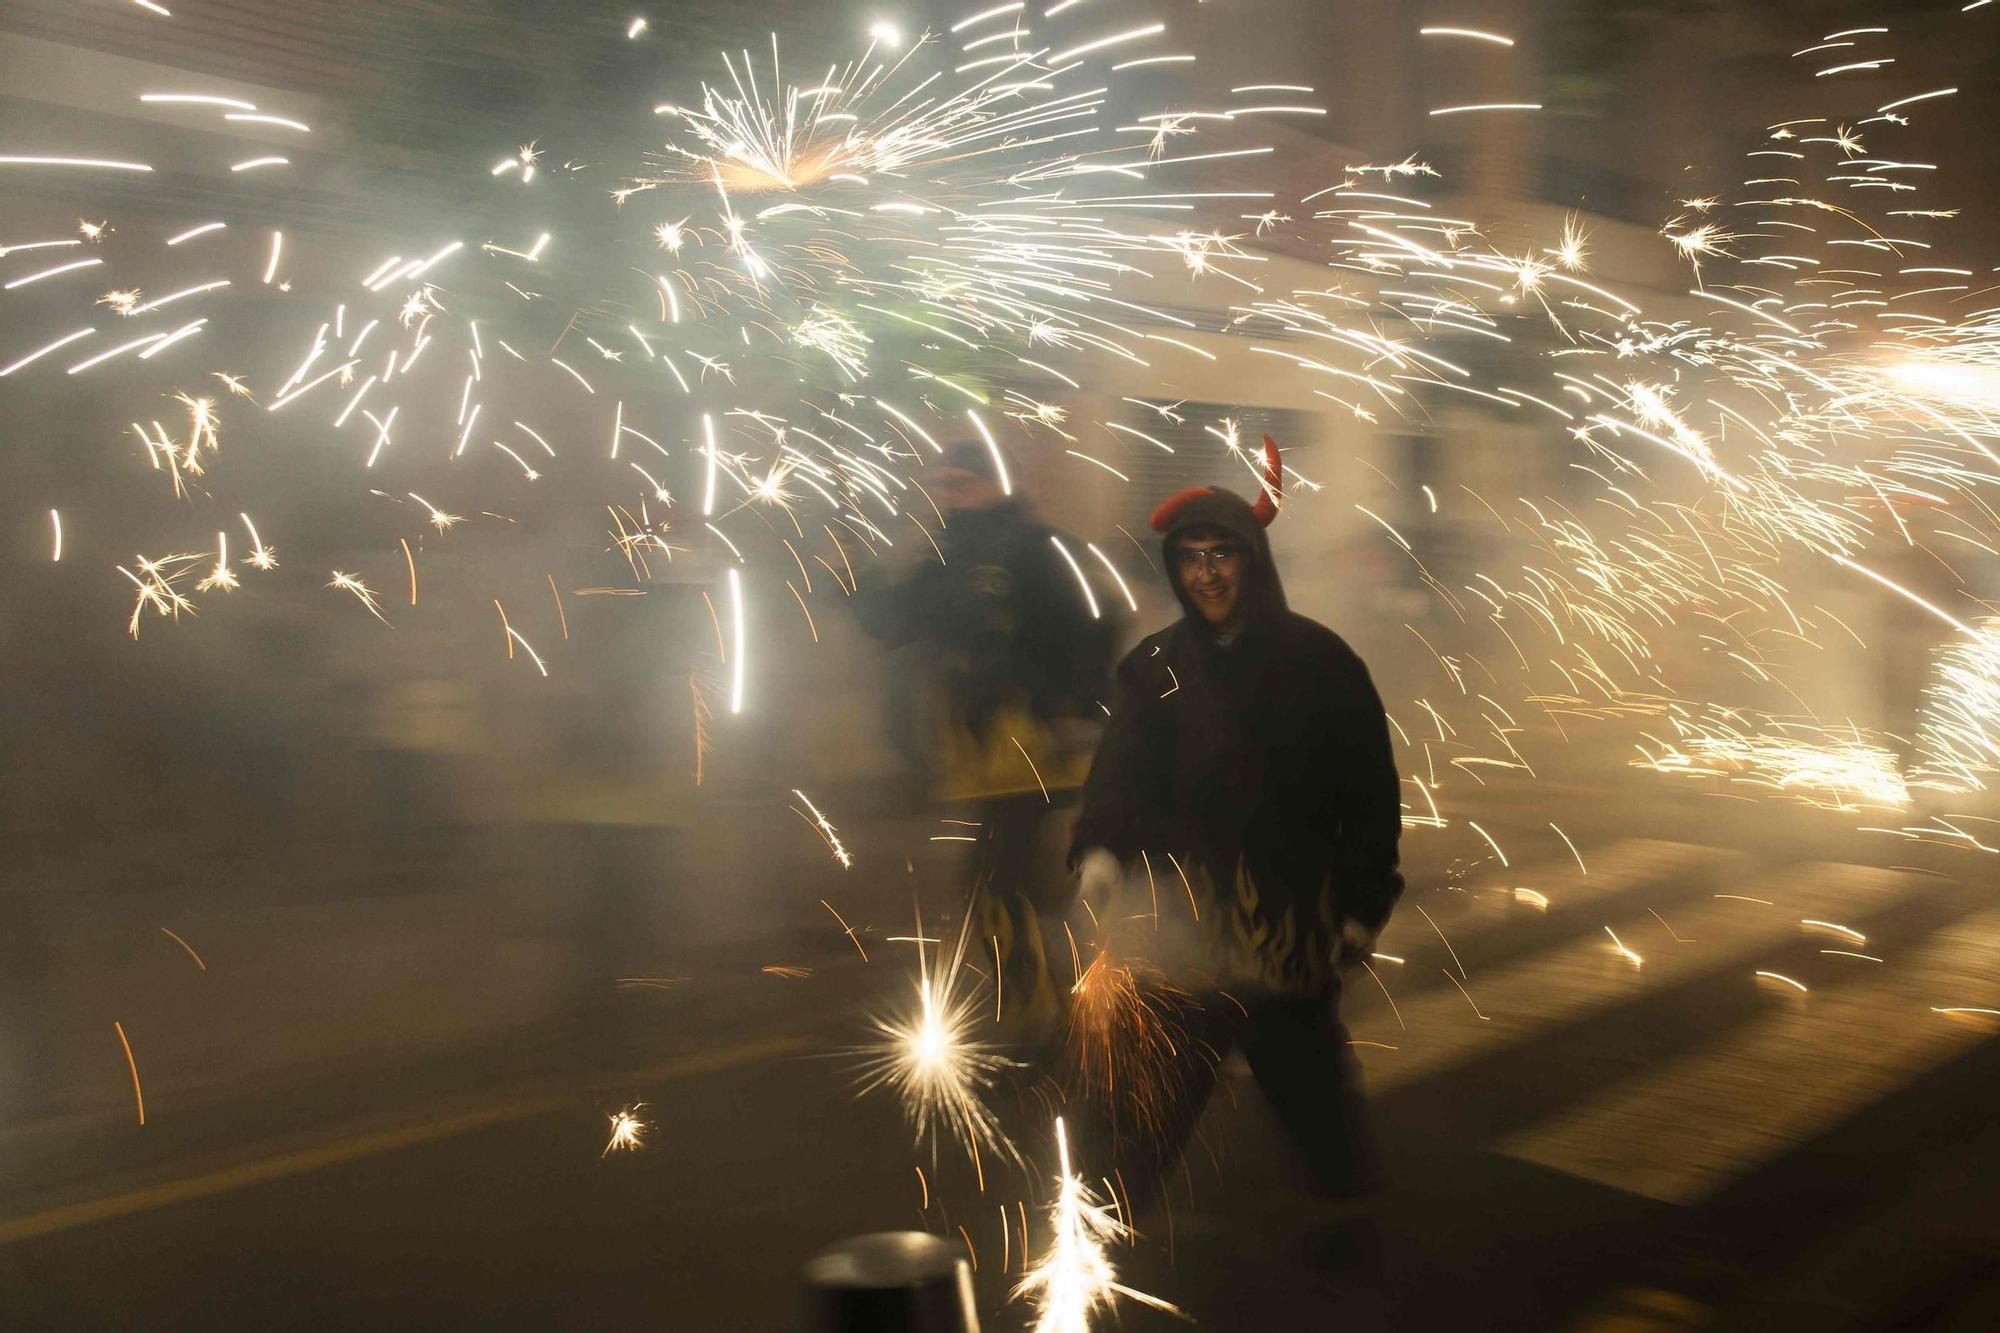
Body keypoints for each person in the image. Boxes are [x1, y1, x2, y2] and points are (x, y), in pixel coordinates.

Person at [1066, 434, 1404, 1205]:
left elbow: (1368, 792)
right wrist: (1100, 851)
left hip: (1288, 923)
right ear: (1175, 569)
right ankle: (1108, 1227)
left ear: (1252, 559)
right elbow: (1119, 772)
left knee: (1308, 1081)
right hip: (1181, 920)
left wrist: (1362, 903)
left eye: (1223, 553)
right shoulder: (1154, 667)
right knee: (1157, 1088)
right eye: (1191, 557)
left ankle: (1348, 1215)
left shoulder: (1321, 663)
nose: (1208, 572)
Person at [857, 440, 1118, 1035]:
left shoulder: (1039, 550)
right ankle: (1066, 999)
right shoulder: (950, 553)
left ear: (996, 483)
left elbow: (1095, 626)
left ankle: (1039, 1016)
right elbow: (901, 620)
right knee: (1022, 884)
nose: (951, 496)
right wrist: (854, 577)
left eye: (963, 483)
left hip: (1036, 753)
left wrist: (1071, 708)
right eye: (944, 484)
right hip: (987, 756)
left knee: (999, 883)